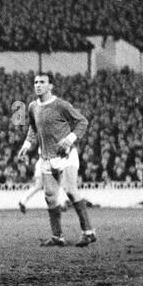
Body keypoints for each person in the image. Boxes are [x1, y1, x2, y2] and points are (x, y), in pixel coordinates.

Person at [15, 73, 96, 247]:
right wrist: (26, 144)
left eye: (42, 82)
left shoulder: (61, 105)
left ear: (50, 86)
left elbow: (82, 121)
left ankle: (88, 232)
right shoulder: (32, 107)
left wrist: (71, 138)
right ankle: (57, 236)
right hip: (46, 158)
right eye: (36, 82)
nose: (38, 85)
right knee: (50, 196)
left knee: (70, 189)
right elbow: (33, 128)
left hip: (66, 156)